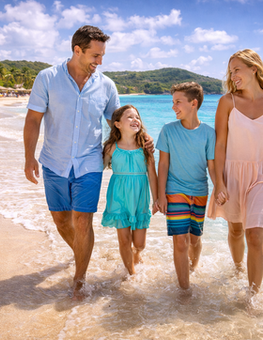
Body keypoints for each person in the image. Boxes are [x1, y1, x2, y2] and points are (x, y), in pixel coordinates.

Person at [23, 25, 153, 300]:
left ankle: (80, 279)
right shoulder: (47, 78)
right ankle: (81, 253)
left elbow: (117, 122)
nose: (100, 62)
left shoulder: (106, 85)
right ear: (77, 50)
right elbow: (33, 119)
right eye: (95, 55)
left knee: (83, 221)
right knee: (61, 220)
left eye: (102, 55)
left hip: (89, 163)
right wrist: (28, 157)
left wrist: (142, 138)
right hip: (54, 161)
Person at [208, 49, 263, 294]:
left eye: (237, 70)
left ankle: (253, 297)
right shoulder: (227, 102)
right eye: (231, 71)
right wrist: (220, 182)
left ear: (253, 68)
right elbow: (220, 144)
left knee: (254, 233)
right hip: (233, 173)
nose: (233, 76)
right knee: (235, 229)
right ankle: (237, 269)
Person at [156, 82, 216, 291]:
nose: (174, 107)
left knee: (195, 239)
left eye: (178, 102)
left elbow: (212, 166)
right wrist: (160, 195)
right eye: (173, 102)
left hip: (199, 192)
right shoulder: (168, 130)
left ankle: (192, 269)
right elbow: (163, 164)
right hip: (174, 190)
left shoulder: (209, 133)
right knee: (180, 241)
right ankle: (184, 291)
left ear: (193, 103)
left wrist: (219, 187)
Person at [101, 105, 158, 275]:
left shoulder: (145, 146)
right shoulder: (111, 147)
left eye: (137, 117)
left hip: (140, 196)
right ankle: (131, 274)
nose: (135, 120)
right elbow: (97, 171)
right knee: (124, 240)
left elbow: (152, 174)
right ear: (117, 124)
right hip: (118, 196)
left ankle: (136, 254)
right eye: (130, 117)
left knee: (140, 244)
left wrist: (157, 200)